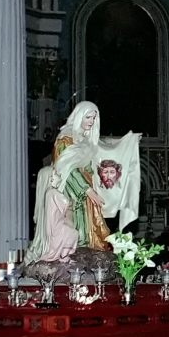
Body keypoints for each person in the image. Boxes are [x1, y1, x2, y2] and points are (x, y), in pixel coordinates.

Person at [25, 101, 141, 264]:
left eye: (94, 118)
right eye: (88, 117)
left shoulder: (87, 141)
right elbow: (66, 168)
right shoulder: (65, 140)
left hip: (86, 186)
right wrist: (87, 189)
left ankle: (83, 252)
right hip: (70, 187)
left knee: (89, 227)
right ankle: (68, 254)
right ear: (79, 116)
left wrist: (129, 142)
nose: (91, 121)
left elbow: (106, 150)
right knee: (72, 225)